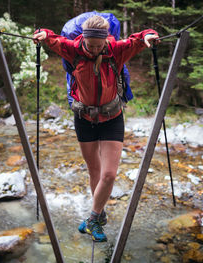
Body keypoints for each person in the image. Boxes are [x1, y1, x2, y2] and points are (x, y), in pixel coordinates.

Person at [33, 15, 159, 242]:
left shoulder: (116, 50)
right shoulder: (74, 49)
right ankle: (99, 215)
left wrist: (149, 34)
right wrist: (42, 33)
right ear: (84, 39)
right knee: (95, 172)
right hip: (84, 118)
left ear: (105, 40)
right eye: (90, 45)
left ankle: (92, 219)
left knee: (109, 174)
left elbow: (137, 39)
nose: (94, 49)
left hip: (112, 117)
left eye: (98, 45)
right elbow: (52, 39)